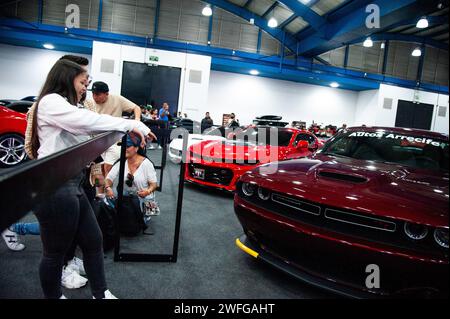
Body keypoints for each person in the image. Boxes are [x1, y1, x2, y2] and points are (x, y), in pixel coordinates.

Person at [30, 59, 155, 299]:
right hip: (54, 185)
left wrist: (126, 129)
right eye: (82, 82)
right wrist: (131, 124)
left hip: (73, 182)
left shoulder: (72, 106)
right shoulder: (51, 102)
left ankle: (101, 293)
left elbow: (93, 130)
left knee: (93, 240)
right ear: (67, 78)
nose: (85, 88)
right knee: (55, 252)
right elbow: (87, 123)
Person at [90, 81, 142, 178]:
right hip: (97, 141)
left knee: (107, 168)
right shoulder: (90, 103)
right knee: (97, 171)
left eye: (97, 94)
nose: (94, 97)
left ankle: (106, 189)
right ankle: (100, 192)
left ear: (106, 94)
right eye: (93, 93)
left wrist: (137, 121)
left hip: (113, 141)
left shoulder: (117, 99)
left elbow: (136, 108)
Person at [105, 133, 158, 225]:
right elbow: (108, 178)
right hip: (127, 198)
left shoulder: (147, 164)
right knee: (107, 195)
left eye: (128, 146)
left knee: (141, 220)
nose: (124, 148)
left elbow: (154, 185)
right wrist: (108, 188)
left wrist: (147, 191)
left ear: (137, 148)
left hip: (143, 198)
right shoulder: (121, 162)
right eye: (123, 146)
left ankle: (145, 214)